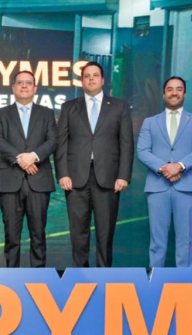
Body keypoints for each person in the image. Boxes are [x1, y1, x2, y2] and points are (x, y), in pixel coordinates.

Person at [55, 61, 134, 267]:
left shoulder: (119, 106)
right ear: (82, 81)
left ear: (103, 80)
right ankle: (80, 275)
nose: (91, 79)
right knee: (77, 233)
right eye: (87, 76)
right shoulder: (69, 107)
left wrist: (123, 175)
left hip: (108, 178)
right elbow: (61, 143)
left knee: (105, 233)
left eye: (95, 75)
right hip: (75, 179)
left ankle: (103, 276)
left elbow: (126, 143)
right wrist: (62, 173)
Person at [137, 76, 192, 268]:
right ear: (164, 94)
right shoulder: (150, 122)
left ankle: (184, 280)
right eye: (170, 89)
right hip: (157, 187)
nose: (174, 93)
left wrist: (180, 166)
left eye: (179, 89)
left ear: (184, 94)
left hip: (185, 186)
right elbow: (142, 151)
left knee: (185, 241)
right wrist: (164, 168)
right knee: (157, 240)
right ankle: (156, 277)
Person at [0, 70, 57, 267]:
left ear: (35, 88)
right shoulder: (1, 113)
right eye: (20, 82)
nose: (24, 86)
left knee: (38, 234)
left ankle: (39, 277)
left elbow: (53, 140)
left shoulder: (46, 113)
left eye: (28, 83)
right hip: (9, 181)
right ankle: (12, 277)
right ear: (13, 87)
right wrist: (21, 160)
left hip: (39, 181)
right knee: (11, 235)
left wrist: (33, 156)